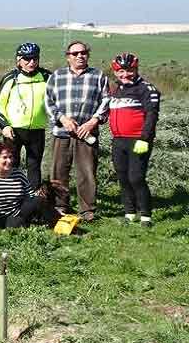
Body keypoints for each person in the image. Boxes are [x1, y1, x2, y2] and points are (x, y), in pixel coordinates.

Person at [45, 40, 110, 221]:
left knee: (87, 172)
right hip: (62, 133)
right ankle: (60, 207)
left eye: (83, 52)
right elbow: (48, 101)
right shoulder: (57, 76)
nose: (80, 56)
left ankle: (87, 210)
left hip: (86, 133)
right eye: (75, 54)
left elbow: (106, 102)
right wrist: (62, 118)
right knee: (58, 172)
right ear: (68, 57)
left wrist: (93, 122)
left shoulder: (98, 76)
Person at [107, 53, 161, 228]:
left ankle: (146, 215)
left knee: (136, 178)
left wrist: (145, 138)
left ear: (136, 69)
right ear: (115, 72)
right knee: (123, 177)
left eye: (130, 70)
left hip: (138, 140)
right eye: (121, 71)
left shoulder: (146, 88)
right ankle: (129, 213)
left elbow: (152, 116)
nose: (125, 74)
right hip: (118, 140)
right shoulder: (115, 89)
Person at [0, 42, 51, 188]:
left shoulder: (46, 76)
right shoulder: (11, 78)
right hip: (14, 130)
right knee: (11, 164)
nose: (32, 62)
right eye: (27, 59)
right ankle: (9, 193)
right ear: (19, 60)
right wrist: (5, 126)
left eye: (35, 58)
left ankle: (33, 198)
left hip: (37, 129)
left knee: (34, 164)